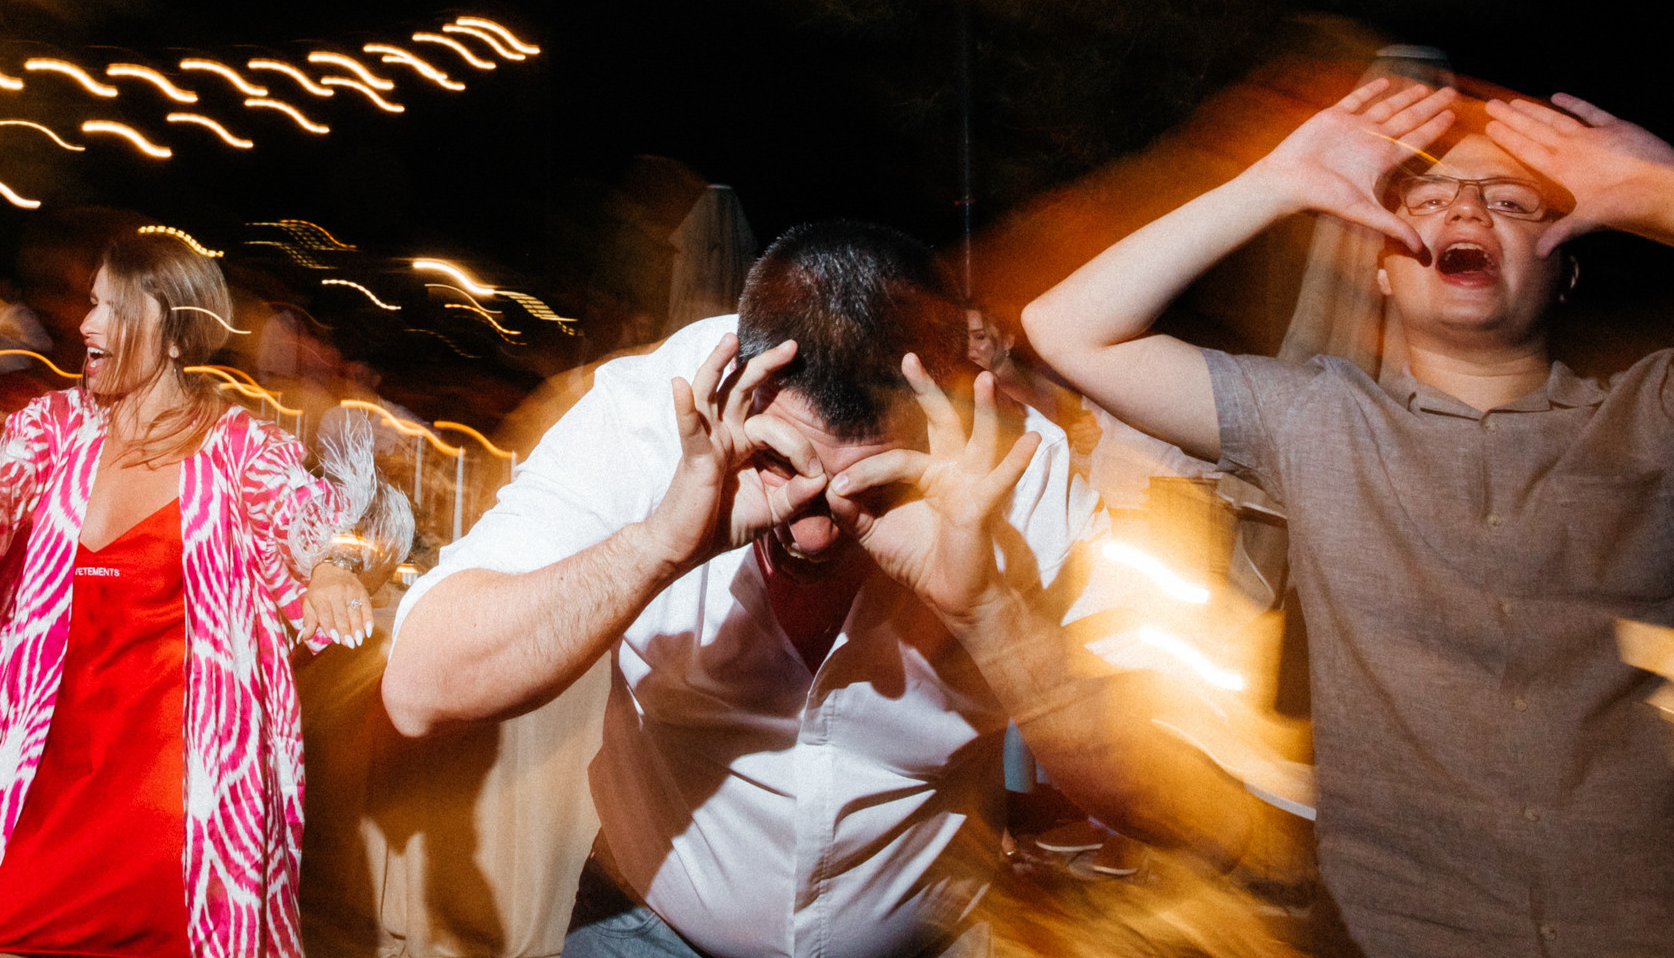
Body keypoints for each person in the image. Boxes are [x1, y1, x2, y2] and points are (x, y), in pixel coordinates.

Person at [382, 221, 1284, 958]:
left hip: (922, 941)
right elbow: (421, 690)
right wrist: (661, 543)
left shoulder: (1020, 478)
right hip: (646, 929)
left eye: (872, 488)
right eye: (780, 464)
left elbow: (1173, 806)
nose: (813, 526)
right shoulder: (645, 421)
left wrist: (989, 614)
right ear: (740, 378)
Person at [1021, 76, 1674, 956]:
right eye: (1429, 198)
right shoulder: (1316, 419)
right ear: (1385, 273)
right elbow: (1069, 329)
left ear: (1566, 267)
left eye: (1510, 201)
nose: (1466, 210)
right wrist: (1276, 183)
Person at [0, 231, 413, 958]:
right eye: (91, 305)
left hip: (171, 800)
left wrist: (329, 570)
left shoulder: (238, 446)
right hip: (28, 773)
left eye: (112, 309)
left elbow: (304, 519)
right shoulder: (53, 428)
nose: (86, 325)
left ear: (173, 328)